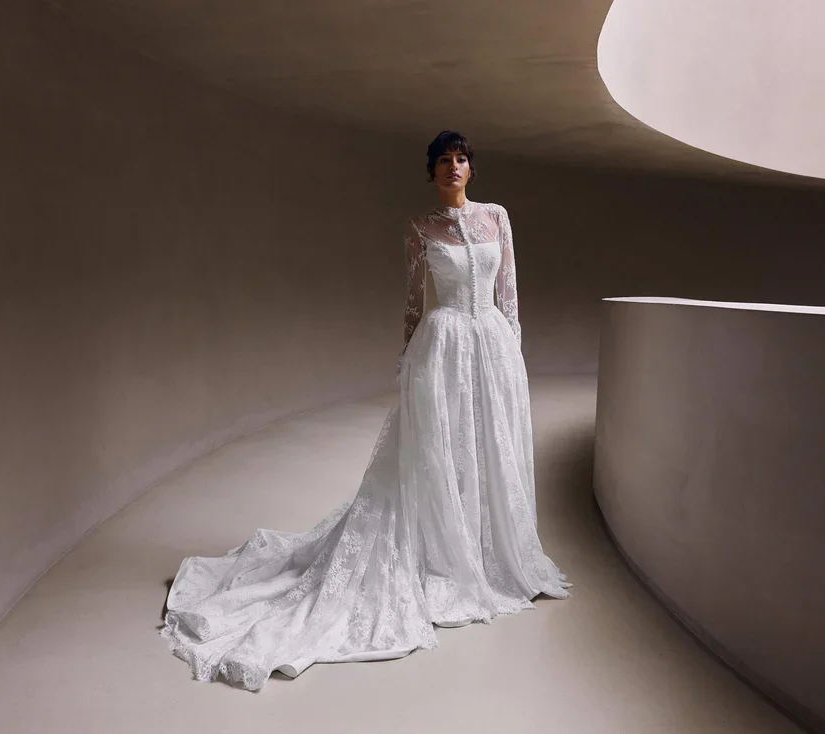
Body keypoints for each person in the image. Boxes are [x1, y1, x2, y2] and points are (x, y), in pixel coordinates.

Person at [161, 130, 570, 691]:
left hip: (493, 347)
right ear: (431, 172)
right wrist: (407, 361)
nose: (454, 167)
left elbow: (509, 295)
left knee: (488, 446)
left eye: (461, 159)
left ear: (471, 169)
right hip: (443, 347)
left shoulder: (497, 217)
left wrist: (513, 356)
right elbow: (413, 301)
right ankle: (447, 553)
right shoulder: (419, 228)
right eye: (444, 160)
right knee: (442, 450)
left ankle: (493, 553)